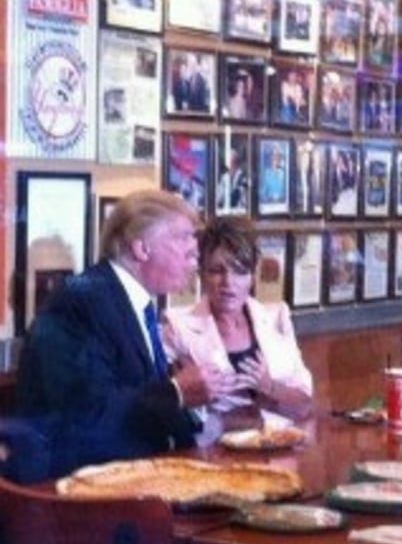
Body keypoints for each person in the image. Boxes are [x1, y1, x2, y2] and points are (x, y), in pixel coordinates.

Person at [15, 190, 233, 479]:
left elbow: (140, 397)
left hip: (135, 476)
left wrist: (203, 419)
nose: (195, 261)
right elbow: (85, 415)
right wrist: (177, 392)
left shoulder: (133, 301)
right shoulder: (81, 301)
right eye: (183, 241)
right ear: (141, 248)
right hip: (81, 492)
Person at [162, 216, 313, 429]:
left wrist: (269, 387)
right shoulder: (177, 328)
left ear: (252, 276)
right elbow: (166, 407)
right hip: (210, 451)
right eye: (217, 270)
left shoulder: (276, 318)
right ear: (202, 274)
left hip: (277, 447)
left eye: (240, 270)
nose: (228, 282)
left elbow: (304, 403)